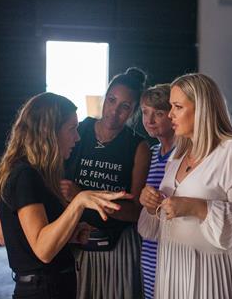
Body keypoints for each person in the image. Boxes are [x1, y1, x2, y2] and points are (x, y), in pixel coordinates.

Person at [137, 73, 232, 299]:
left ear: (202, 109)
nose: (170, 114)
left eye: (177, 107)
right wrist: (151, 204)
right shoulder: (179, 154)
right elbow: (166, 215)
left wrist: (197, 207)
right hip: (175, 268)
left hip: (213, 275)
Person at [0, 93, 130, 299]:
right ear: (48, 133)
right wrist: (79, 201)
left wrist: (70, 234)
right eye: (71, 129)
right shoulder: (26, 175)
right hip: (44, 290)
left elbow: (6, 236)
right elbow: (43, 250)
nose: (77, 137)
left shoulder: (26, 171)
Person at [63, 67, 150, 299]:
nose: (114, 111)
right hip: (75, 240)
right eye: (112, 100)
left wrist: (83, 196)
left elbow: (135, 213)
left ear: (134, 111)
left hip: (117, 246)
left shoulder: (138, 146)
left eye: (125, 107)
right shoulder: (79, 130)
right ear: (105, 97)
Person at [137, 84, 175, 299]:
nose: (149, 120)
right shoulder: (150, 153)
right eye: (145, 112)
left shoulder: (185, 154)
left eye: (158, 113)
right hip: (150, 247)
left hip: (174, 249)